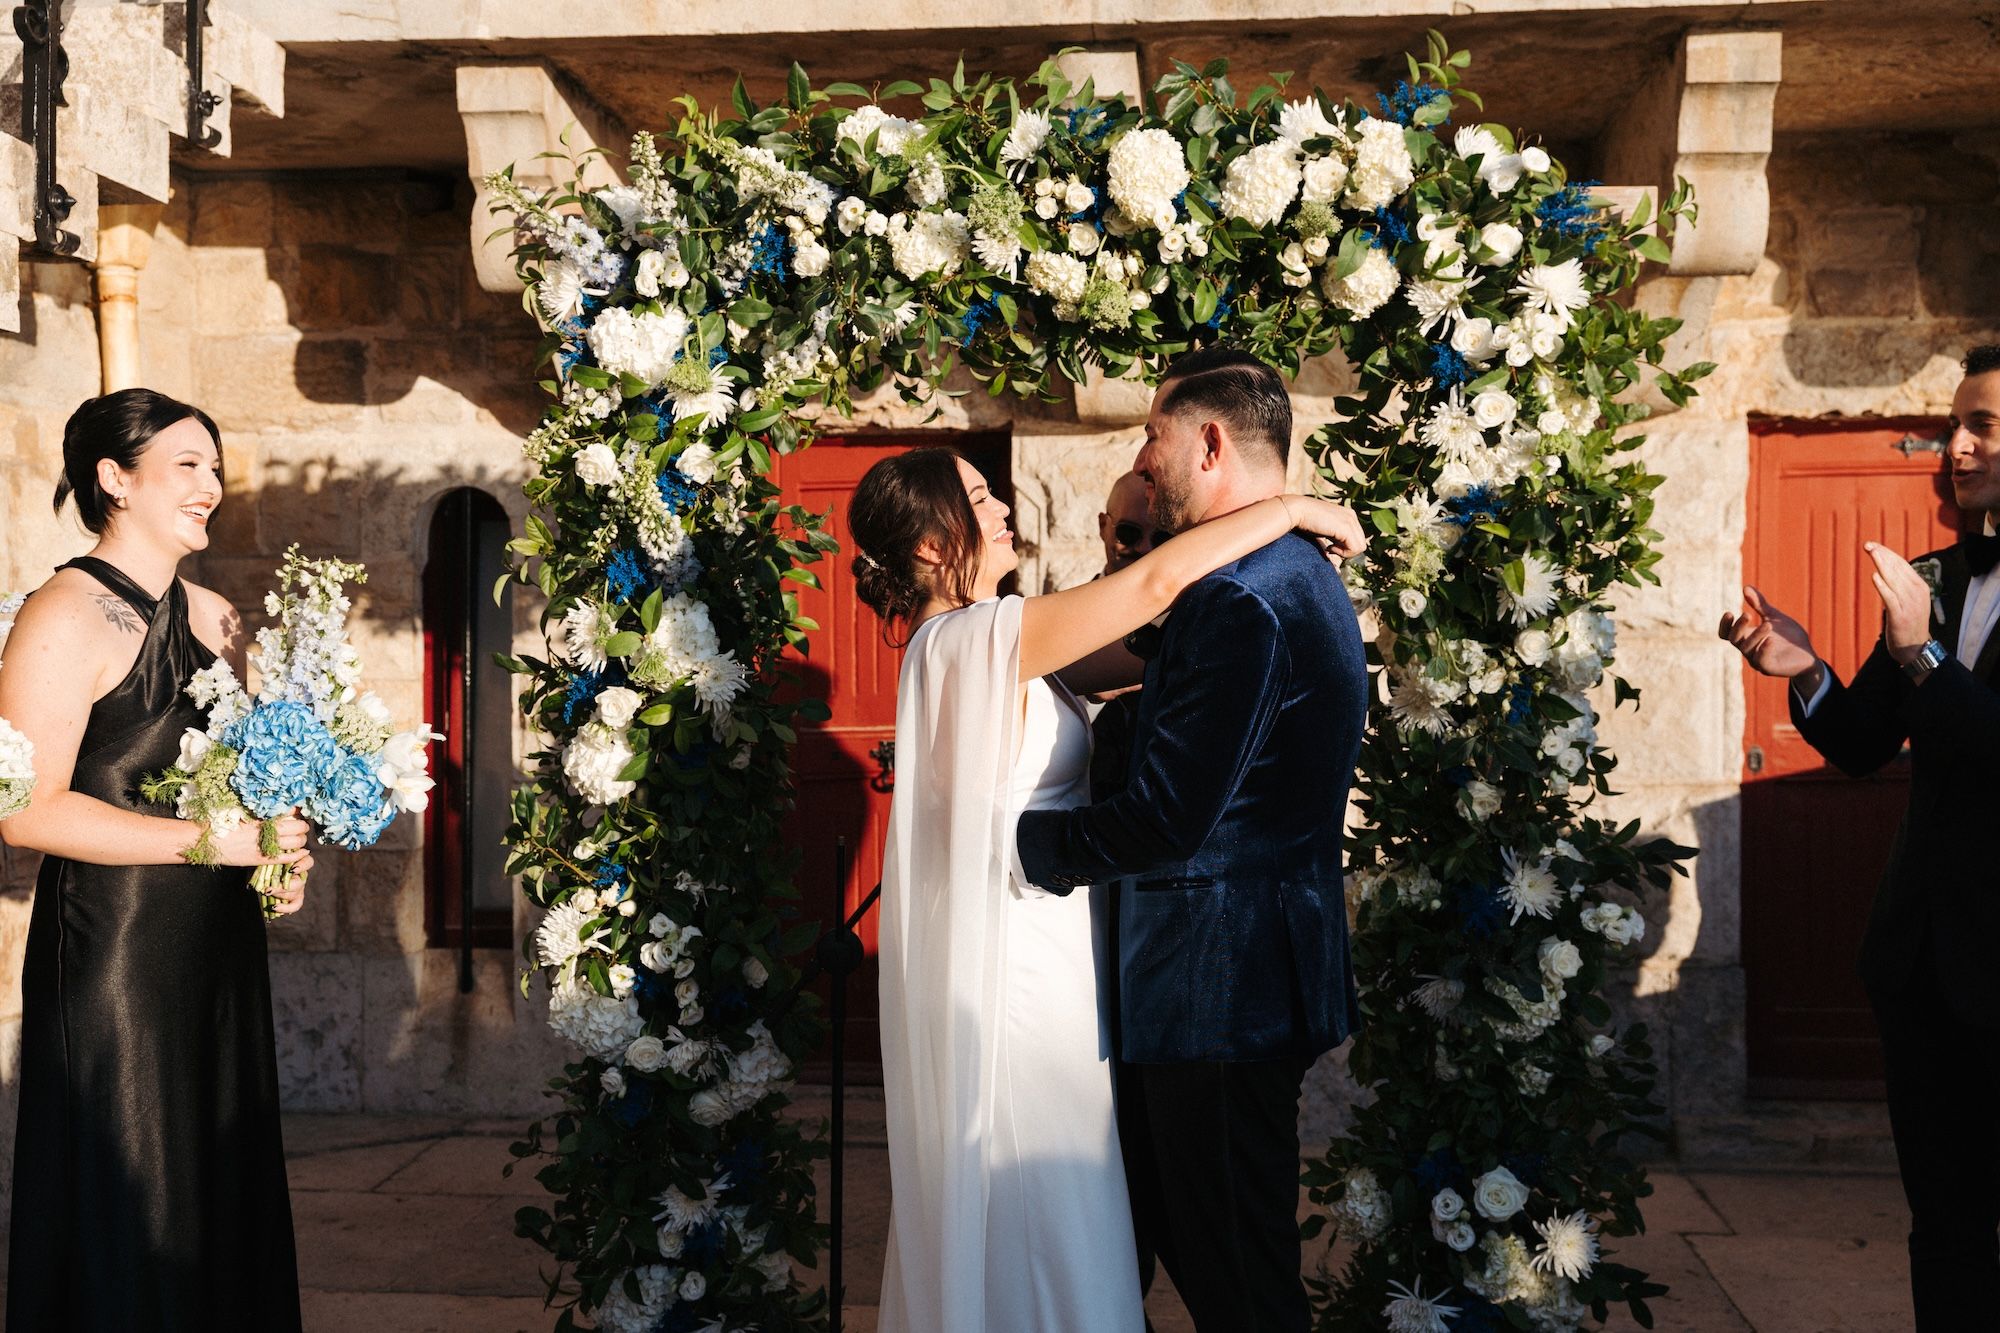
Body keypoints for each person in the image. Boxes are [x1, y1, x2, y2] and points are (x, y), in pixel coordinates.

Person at [846, 435, 1365, 1333]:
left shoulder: (987, 643)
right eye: (977, 498)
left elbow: (1154, 640)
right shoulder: (978, 637)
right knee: (1048, 1197)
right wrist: (1286, 512)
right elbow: (1153, 588)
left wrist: (1281, 591)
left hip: (1051, 953)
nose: (1002, 508)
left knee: (1070, 1202)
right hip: (1026, 976)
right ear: (932, 545)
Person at [1015, 346, 1370, 1332]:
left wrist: (1010, 848)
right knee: (1180, 1247)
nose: (1145, 454)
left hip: (1218, 996)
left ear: (1209, 441)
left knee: (1239, 1284)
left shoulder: (1240, 599)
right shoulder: (1266, 574)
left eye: (1152, 435)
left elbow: (1167, 818)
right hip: (1225, 990)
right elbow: (1098, 663)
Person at [0, 388, 313, 1330]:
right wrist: (207, 841)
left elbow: (254, 776)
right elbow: (23, 813)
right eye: (188, 465)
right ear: (114, 479)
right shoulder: (61, 614)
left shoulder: (218, 617)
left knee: (218, 1193)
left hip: (216, 953)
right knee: (133, 1198)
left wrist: (282, 843)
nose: (211, 485)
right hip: (117, 963)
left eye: (216, 467)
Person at [1718, 344, 2000, 1331]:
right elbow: (1860, 740)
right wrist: (1798, 668)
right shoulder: (1935, 578)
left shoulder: (1923, 613)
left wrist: (1921, 652)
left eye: (1984, 427)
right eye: (1956, 423)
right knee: (1941, 1220)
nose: (1956, 445)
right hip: (1917, 962)